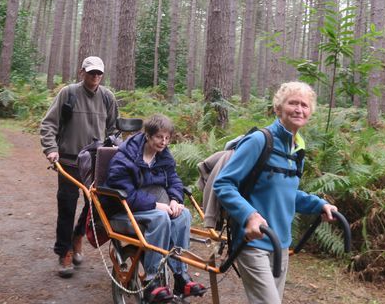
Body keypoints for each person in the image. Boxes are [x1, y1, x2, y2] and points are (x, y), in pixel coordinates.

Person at [213, 81, 338, 304]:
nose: (299, 109)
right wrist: (249, 216)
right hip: (252, 242)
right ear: (278, 108)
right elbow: (224, 184)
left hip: (281, 244)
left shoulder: (297, 148)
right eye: (293, 103)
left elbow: (287, 193)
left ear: (310, 112)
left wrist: (319, 204)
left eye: (305, 105)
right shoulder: (260, 141)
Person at [105, 114, 206, 302]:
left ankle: (180, 276)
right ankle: (152, 280)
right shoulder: (125, 157)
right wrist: (157, 205)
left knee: (183, 215)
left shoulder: (163, 156)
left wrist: (175, 199)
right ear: (148, 135)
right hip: (125, 211)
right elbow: (124, 191)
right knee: (161, 218)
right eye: (160, 137)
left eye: (167, 138)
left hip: (150, 209)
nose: (164, 142)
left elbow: (174, 180)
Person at [40, 56, 119, 277]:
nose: (95, 77)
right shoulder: (69, 93)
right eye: (91, 72)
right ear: (82, 72)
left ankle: (78, 235)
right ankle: (63, 252)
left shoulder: (107, 97)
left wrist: (116, 149)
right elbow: (48, 123)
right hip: (68, 160)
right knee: (66, 206)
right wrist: (51, 149)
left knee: (95, 206)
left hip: (96, 161)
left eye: (99, 73)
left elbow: (113, 130)